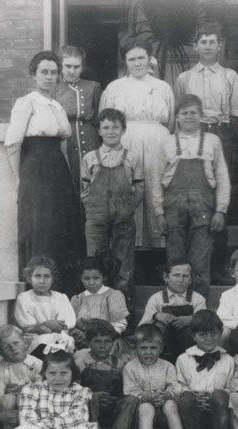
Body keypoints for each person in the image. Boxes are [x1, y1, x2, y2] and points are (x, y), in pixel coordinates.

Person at [4, 51, 84, 284]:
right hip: (36, 170)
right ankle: (38, 291)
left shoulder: (56, 105)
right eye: (44, 72)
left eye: (53, 73)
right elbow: (12, 143)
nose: (49, 77)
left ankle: (63, 292)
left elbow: (62, 143)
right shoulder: (27, 102)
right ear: (33, 75)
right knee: (43, 227)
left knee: (63, 226)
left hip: (58, 171)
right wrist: (21, 180)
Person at [174, 22, 238, 285]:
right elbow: (180, 112)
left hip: (221, 134)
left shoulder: (230, 76)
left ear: (220, 45)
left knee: (218, 198)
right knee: (194, 195)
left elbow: (236, 113)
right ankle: (187, 268)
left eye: (212, 42)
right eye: (203, 42)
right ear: (195, 46)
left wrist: (223, 141)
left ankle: (216, 265)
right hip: (192, 135)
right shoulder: (184, 78)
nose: (208, 46)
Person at [100, 38, 174, 274]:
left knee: (156, 189)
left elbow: (171, 120)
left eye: (141, 57)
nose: (137, 63)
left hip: (157, 141)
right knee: (129, 191)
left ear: (149, 59)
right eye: (132, 59)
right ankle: (131, 254)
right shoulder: (115, 87)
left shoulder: (162, 87)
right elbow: (106, 119)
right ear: (125, 62)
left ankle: (159, 251)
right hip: (126, 140)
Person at [155, 94, 230, 298]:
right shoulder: (167, 142)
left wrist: (221, 210)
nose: (189, 117)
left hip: (203, 207)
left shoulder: (212, 141)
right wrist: (159, 212)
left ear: (201, 115)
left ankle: (199, 313)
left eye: (193, 113)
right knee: (176, 262)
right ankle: (175, 307)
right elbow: (156, 179)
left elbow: (222, 177)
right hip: (173, 207)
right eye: (184, 113)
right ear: (177, 116)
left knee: (199, 263)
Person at [81, 108, 144, 304]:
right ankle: (95, 314)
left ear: (123, 130)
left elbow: (140, 188)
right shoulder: (90, 158)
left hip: (123, 219)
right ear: (99, 131)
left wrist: (127, 208)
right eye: (106, 127)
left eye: (115, 127)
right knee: (94, 267)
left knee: (123, 267)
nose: (110, 132)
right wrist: (93, 209)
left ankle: (124, 319)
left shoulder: (132, 157)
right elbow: (84, 189)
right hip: (96, 220)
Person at [122, 324, 192, 429]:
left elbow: (175, 386)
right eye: (143, 348)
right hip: (142, 414)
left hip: (165, 411)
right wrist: (145, 397)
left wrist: (167, 394)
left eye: (153, 348)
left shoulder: (167, 366)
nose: (148, 352)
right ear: (136, 348)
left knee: (171, 405)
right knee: (146, 407)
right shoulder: (130, 367)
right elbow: (129, 390)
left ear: (161, 348)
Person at [73, 319, 138, 429]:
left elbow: (125, 389)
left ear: (113, 343)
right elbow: (72, 391)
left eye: (107, 341)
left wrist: (115, 399)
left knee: (131, 399)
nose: (102, 346)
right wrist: (91, 395)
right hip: (88, 412)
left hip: (112, 409)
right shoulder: (80, 363)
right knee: (90, 397)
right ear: (88, 342)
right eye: (97, 341)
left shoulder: (120, 364)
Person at [176, 310, 235, 429]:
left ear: (221, 333)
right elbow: (179, 385)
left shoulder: (228, 360)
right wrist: (193, 394)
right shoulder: (183, 359)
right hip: (193, 415)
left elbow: (231, 387)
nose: (209, 339)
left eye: (213, 334)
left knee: (221, 395)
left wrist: (217, 395)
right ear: (193, 336)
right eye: (202, 335)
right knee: (185, 398)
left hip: (220, 415)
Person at [53, 45, 102, 203]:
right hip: (65, 144)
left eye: (76, 67)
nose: (71, 71)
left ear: (82, 67)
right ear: (61, 66)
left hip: (90, 142)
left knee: (92, 187)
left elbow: (99, 119)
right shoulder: (54, 89)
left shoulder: (93, 87)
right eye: (67, 66)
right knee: (68, 190)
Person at [138, 258, 207, 364]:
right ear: (166, 277)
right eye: (176, 275)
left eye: (185, 276)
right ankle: (161, 362)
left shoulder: (198, 299)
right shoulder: (156, 299)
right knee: (159, 327)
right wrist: (156, 315)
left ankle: (191, 362)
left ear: (190, 279)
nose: (181, 280)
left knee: (192, 329)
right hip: (164, 345)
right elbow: (142, 327)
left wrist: (192, 319)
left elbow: (205, 324)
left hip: (187, 344)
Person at [14, 256, 76, 353]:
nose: (42, 281)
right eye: (37, 276)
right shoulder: (25, 298)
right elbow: (27, 326)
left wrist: (56, 327)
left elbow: (67, 322)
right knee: (45, 341)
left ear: (52, 278)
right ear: (30, 278)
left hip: (59, 336)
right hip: (35, 339)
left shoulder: (61, 297)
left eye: (47, 276)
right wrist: (45, 324)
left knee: (66, 342)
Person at [69, 255, 130, 352]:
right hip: (83, 340)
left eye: (96, 278)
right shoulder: (78, 299)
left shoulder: (112, 296)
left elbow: (120, 323)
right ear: (81, 278)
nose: (91, 282)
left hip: (107, 339)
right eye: (87, 279)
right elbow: (72, 324)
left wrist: (107, 337)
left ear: (104, 277)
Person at [0, 325, 43, 429]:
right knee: (7, 399)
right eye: (6, 347)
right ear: (0, 353)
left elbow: (40, 388)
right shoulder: (2, 367)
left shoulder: (36, 363)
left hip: (32, 403)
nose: (13, 348)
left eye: (16, 343)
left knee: (22, 397)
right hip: (11, 406)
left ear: (25, 342)